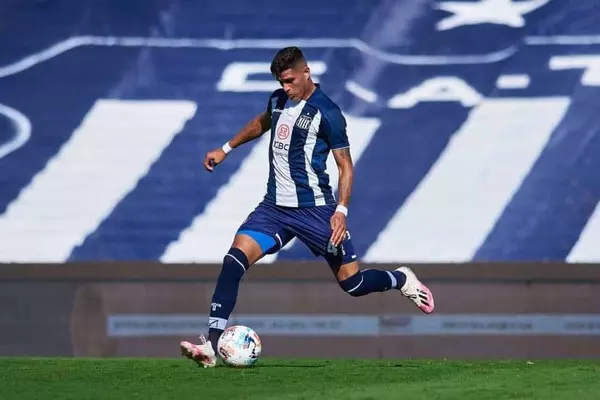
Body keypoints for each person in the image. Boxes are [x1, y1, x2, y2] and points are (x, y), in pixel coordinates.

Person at [180, 46, 434, 367]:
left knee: (353, 284)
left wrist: (341, 211)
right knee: (233, 261)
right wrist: (226, 148)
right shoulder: (278, 100)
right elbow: (262, 122)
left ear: (306, 72)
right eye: (281, 82)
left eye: (289, 81)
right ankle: (212, 345)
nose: (286, 88)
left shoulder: (327, 113)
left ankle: (400, 279)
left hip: (316, 211)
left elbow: (345, 165)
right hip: (274, 209)